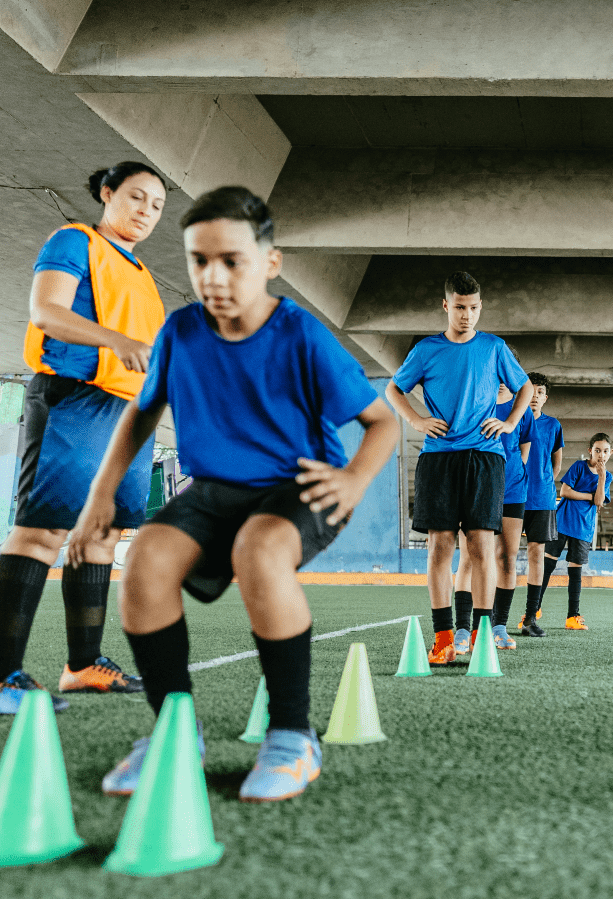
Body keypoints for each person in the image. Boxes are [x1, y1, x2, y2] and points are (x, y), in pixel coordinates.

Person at [69, 186, 399, 801]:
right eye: (199, 260)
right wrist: (101, 494)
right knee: (143, 562)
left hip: (298, 487)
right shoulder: (181, 332)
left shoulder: (302, 335)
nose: (213, 276)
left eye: (232, 260)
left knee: (260, 551)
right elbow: (141, 413)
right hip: (217, 489)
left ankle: (293, 735)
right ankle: (174, 733)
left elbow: (384, 423)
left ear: (269, 263)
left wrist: (353, 479)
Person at [0, 162, 168, 714]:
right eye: (137, 197)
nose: (146, 210)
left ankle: (82, 666)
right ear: (107, 192)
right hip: (74, 397)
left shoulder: (143, 276)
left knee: (102, 535)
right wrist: (114, 340)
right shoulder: (74, 241)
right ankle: (2, 677)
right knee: (40, 532)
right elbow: (45, 311)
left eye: (157, 205)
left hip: (129, 415)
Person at [387, 272, 532, 665]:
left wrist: (510, 422)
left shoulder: (494, 347)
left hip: (485, 457)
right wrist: (416, 422)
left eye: (474, 308)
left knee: (482, 546)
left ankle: (483, 635)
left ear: (479, 307)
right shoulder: (426, 349)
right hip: (438, 457)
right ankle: (445, 638)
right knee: (440, 547)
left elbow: (526, 388)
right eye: (461, 307)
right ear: (446, 305)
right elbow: (393, 389)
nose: (467, 315)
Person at [450, 356, 535, 651]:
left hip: (511, 490)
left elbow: (523, 454)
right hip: (475, 488)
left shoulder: (522, 411)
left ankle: (498, 626)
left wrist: (508, 478)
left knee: (507, 558)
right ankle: (463, 629)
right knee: (468, 557)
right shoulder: (475, 402)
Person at [539, 434, 613, 630]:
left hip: (583, 528)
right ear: (590, 451)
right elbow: (564, 491)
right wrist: (589, 495)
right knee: (547, 567)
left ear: (610, 453)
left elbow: (599, 501)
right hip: (562, 522)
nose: (601, 455)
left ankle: (572, 616)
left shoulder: (608, 477)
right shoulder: (579, 467)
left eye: (605, 451)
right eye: (597, 450)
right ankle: (533, 610)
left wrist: (602, 477)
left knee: (576, 573)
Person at [517, 373, 563, 637]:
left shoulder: (553, 425)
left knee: (537, 555)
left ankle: (530, 618)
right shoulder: (513, 419)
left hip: (542, 499)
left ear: (546, 397)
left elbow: (556, 463)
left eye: (540, 392)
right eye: (530, 390)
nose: (534, 395)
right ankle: (493, 619)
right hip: (513, 496)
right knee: (503, 555)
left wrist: (543, 483)